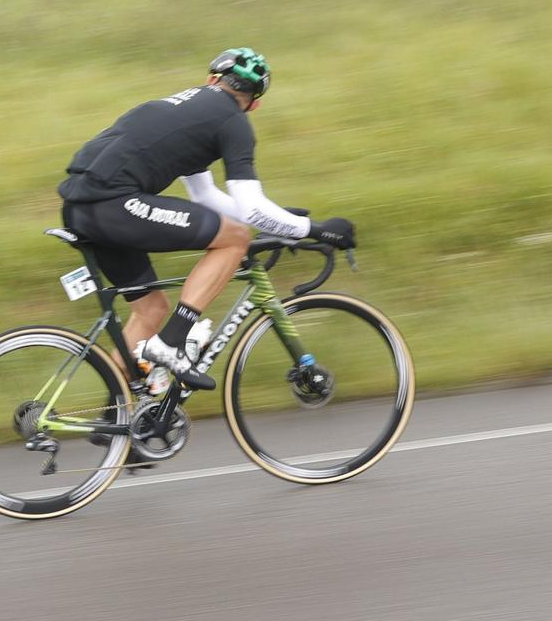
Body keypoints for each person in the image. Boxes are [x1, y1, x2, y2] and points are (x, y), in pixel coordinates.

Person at [56, 48, 355, 394]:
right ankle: (171, 344)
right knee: (234, 239)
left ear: (212, 79)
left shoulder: (191, 109)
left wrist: (282, 220)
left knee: (151, 309)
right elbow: (251, 210)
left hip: (81, 207)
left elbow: (206, 198)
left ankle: (117, 418)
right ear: (255, 103)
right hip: (113, 204)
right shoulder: (232, 120)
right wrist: (316, 230)